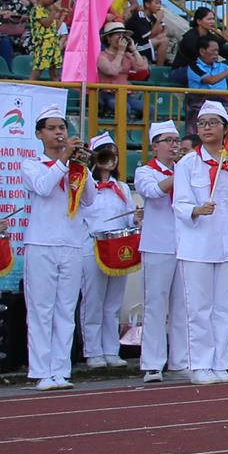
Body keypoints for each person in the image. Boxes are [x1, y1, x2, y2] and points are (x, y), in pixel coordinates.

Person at [173, 101, 228, 384]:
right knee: (199, 308)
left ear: (226, 128)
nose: (206, 128)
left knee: (224, 309)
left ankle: (220, 362)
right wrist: (196, 210)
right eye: (202, 123)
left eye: (212, 123)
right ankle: (199, 365)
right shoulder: (187, 163)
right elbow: (179, 203)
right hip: (197, 245)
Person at [19, 113, 90, 391]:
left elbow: (90, 199)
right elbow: (43, 187)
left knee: (65, 309)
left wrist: (82, 167)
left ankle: (61, 369)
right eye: (52, 129)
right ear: (40, 134)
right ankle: (41, 370)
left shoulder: (73, 167)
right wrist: (64, 161)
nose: (59, 133)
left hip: (71, 242)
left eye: (62, 128)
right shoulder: (32, 164)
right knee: (41, 309)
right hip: (42, 243)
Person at [133, 122, 190, 384]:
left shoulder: (186, 170)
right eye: (167, 140)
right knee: (155, 305)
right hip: (157, 245)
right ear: (155, 146)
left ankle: (180, 360)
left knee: (183, 306)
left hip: (185, 244)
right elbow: (153, 192)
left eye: (176, 140)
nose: (174, 145)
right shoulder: (145, 171)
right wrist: (182, 172)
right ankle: (153, 363)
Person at [78, 136, 135, 370]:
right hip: (92, 246)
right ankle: (93, 351)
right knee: (93, 300)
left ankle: (111, 349)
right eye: (104, 152)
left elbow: (129, 216)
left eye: (113, 152)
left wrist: (137, 218)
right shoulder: (84, 185)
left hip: (117, 247)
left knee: (113, 302)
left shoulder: (121, 187)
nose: (110, 157)